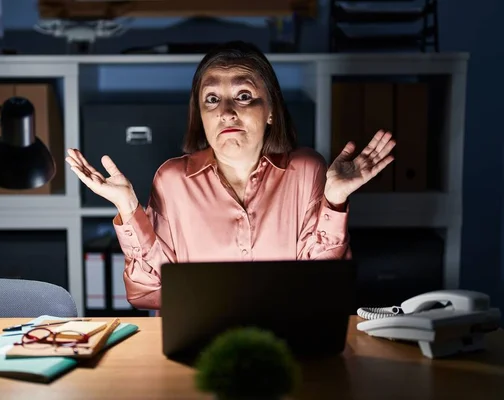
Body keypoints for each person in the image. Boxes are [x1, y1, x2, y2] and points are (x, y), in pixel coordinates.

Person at [66, 41, 396, 311]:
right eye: (212, 99)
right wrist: (128, 209)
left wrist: (334, 200)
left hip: (287, 345)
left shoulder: (307, 170)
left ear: (270, 111)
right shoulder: (171, 180)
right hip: (198, 349)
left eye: (243, 95)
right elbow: (147, 294)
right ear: (201, 115)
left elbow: (324, 286)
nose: (226, 112)